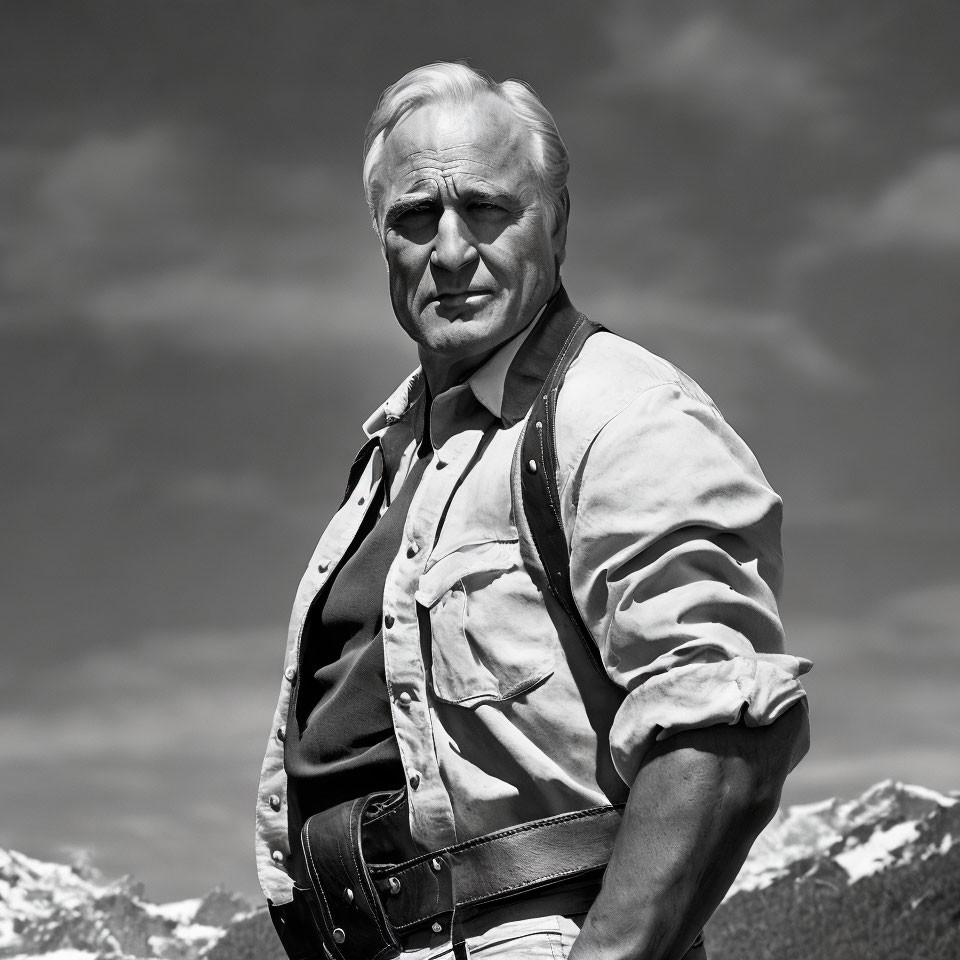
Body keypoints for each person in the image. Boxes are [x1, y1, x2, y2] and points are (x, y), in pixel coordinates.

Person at [256, 62, 811, 960]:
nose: (447, 249)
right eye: (412, 218)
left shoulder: (618, 412)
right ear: (380, 241)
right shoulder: (390, 455)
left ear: (556, 223)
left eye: (484, 209)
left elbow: (725, 732)